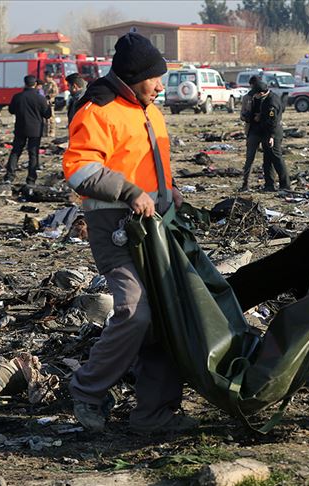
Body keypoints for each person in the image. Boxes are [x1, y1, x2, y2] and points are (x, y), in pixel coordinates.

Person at [63, 32, 194, 435]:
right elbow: (80, 169)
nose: (161, 86)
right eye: (155, 78)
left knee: (166, 315)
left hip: (156, 227)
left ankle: (153, 413)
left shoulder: (147, 108)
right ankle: (86, 391)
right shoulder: (98, 107)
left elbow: (151, 164)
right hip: (115, 228)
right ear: (134, 76)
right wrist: (130, 190)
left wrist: (170, 193)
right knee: (135, 313)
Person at [239, 78, 290, 192]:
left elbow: (273, 121)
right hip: (266, 132)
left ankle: (285, 185)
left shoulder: (271, 101)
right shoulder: (267, 98)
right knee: (267, 160)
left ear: (261, 93)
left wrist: (271, 136)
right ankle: (269, 185)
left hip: (273, 133)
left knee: (277, 158)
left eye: (256, 94)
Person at [4, 75, 51, 184]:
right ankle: (31, 179)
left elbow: (11, 110)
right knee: (33, 154)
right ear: (35, 84)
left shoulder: (17, 97)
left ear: (25, 83)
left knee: (16, 151)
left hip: (20, 128)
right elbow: (47, 115)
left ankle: (9, 176)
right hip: (35, 130)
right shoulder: (40, 98)